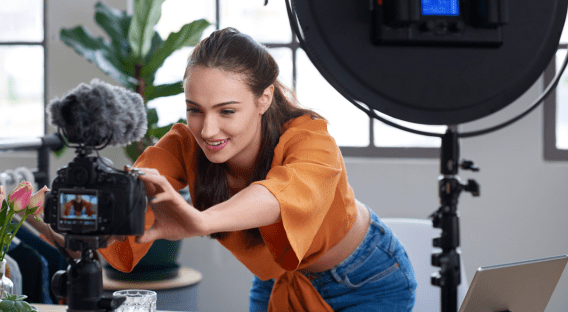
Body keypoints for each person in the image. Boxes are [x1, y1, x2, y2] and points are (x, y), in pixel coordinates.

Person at [99, 27, 417, 311]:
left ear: (264, 98)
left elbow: (281, 195)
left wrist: (201, 221)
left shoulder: (311, 139)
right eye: (195, 110)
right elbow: (135, 185)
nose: (208, 130)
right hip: (280, 278)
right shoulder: (184, 143)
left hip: (365, 277)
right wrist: (60, 217)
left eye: (227, 111)